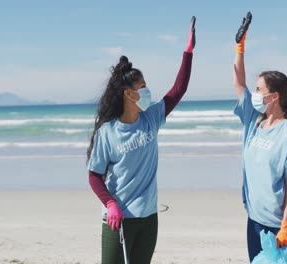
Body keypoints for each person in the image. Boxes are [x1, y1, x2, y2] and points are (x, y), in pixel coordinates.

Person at [86, 16, 196, 264]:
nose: (148, 91)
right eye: (142, 86)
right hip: (119, 219)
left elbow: (178, 90)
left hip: (149, 218)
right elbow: (94, 176)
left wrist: (187, 52)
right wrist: (110, 204)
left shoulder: (151, 118)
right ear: (128, 93)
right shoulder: (108, 132)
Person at [232, 12, 287, 262]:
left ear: (274, 96)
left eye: (259, 89)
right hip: (255, 221)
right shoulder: (254, 121)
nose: (254, 93)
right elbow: (239, 84)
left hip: (281, 224)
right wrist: (239, 47)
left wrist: (286, 224)